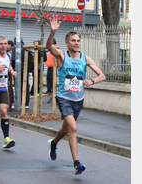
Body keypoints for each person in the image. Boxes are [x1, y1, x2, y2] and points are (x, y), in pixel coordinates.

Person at [46, 15, 106, 175]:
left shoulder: (85, 58)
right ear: (67, 43)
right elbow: (48, 47)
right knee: (73, 128)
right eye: (73, 40)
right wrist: (52, 33)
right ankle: (76, 164)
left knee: (66, 129)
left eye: (78, 40)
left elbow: (102, 75)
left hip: (78, 100)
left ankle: (53, 142)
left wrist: (91, 81)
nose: (76, 43)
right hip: (64, 98)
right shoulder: (62, 56)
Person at [11, 37, 30, 109]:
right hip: (25, 68)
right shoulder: (25, 47)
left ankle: (19, 102)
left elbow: (13, 59)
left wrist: (13, 68)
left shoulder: (15, 48)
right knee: (25, 85)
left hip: (17, 68)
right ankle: (26, 103)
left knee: (18, 85)